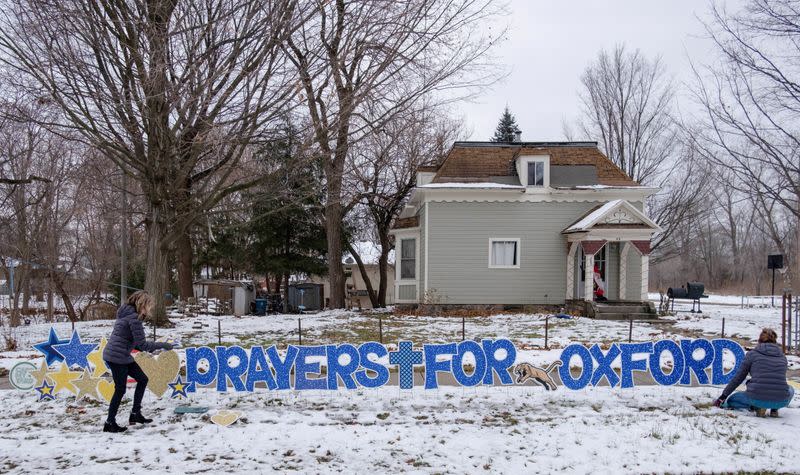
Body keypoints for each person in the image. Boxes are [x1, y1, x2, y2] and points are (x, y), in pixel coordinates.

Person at [102, 291, 173, 433]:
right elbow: (143, 345)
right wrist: (163, 345)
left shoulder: (126, 314)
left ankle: (135, 414)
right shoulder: (134, 318)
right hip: (117, 357)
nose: (150, 309)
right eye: (149, 305)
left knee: (142, 379)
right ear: (142, 304)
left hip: (120, 354)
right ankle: (109, 423)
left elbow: (132, 342)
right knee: (120, 389)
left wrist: (146, 347)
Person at [714, 328, 794, 417]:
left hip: (757, 397)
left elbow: (738, 378)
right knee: (791, 389)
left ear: (759, 341)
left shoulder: (752, 354)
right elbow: (778, 379)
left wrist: (723, 396)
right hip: (780, 400)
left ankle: (757, 407)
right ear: (775, 341)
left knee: (732, 400)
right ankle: (774, 409)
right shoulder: (782, 357)